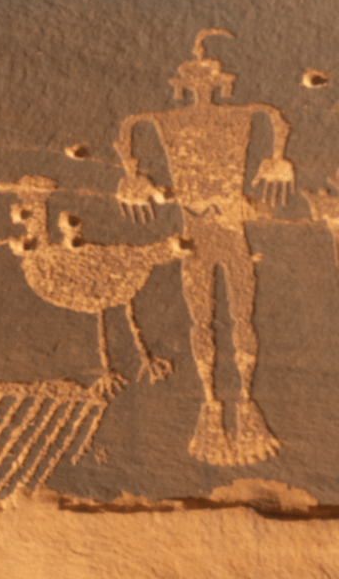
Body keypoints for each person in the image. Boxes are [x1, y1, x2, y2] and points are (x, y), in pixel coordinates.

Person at [113, 29, 292, 466]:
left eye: (208, 83)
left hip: (224, 228)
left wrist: (277, 160)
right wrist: (133, 177)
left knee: (235, 316)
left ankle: (243, 403)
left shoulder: (236, 116)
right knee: (206, 318)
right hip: (205, 230)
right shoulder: (170, 121)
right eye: (199, 83)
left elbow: (276, 120)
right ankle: (213, 404)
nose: (204, 91)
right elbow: (127, 133)